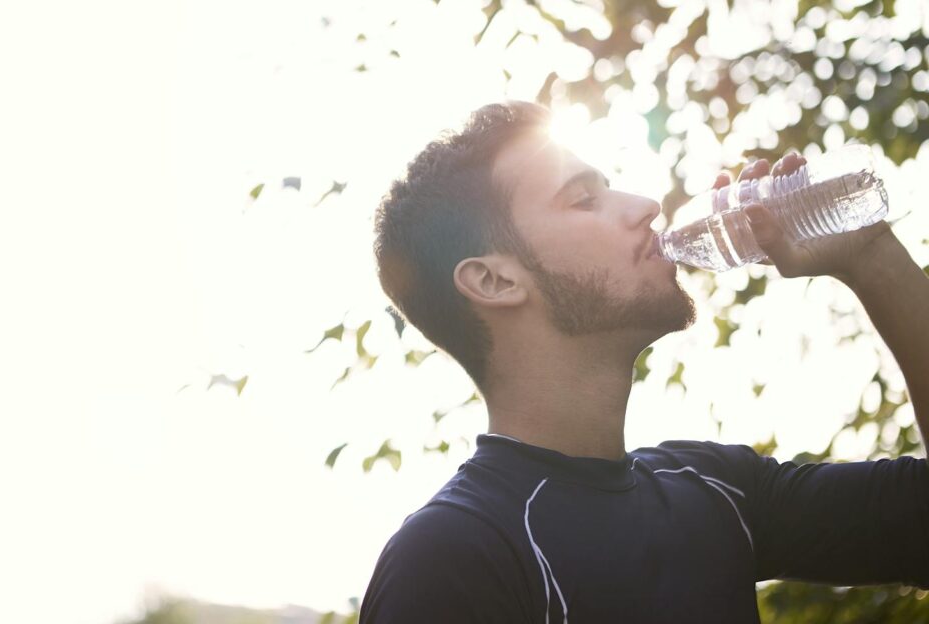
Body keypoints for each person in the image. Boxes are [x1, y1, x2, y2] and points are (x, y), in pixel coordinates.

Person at [360, 100, 929, 623]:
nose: (646, 207)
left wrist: (871, 257)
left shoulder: (714, 488)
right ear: (494, 279)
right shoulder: (452, 556)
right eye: (585, 199)